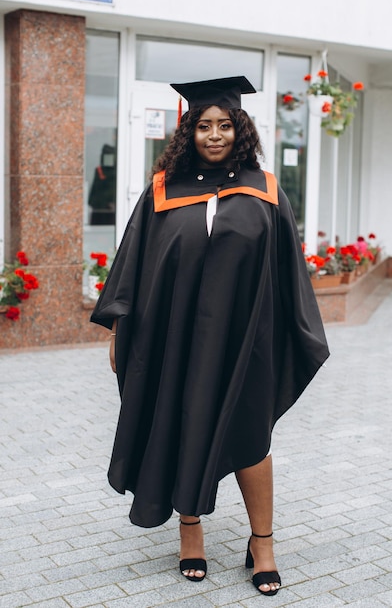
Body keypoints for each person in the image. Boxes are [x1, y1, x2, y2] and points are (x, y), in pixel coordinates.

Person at [91, 76, 329, 597]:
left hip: (247, 341)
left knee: (251, 437)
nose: (215, 134)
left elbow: (288, 270)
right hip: (174, 338)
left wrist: (296, 332)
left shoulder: (265, 191)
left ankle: (261, 542)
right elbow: (133, 263)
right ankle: (190, 531)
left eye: (224, 125)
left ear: (239, 130)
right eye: (204, 126)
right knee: (182, 419)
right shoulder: (162, 192)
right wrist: (117, 328)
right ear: (189, 131)